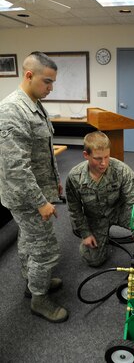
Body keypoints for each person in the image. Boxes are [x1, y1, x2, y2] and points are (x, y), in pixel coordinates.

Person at [0, 52, 68, 323]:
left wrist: (55, 182)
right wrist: (41, 202)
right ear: (29, 75)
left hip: (37, 189)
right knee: (45, 248)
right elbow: (16, 168)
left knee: (29, 240)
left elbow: (41, 151)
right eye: (47, 82)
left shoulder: (34, 103)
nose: (51, 88)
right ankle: (39, 299)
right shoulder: (12, 111)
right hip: (26, 197)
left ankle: (32, 282)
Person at [65, 131, 134, 267]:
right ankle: (102, 239)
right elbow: (74, 209)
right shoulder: (75, 177)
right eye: (98, 158)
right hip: (95, 217)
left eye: (107, 157)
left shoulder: (121, 170)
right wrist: (85, 233)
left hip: (119, 210)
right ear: (86, 155)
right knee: (93, 260)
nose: (103, 163)